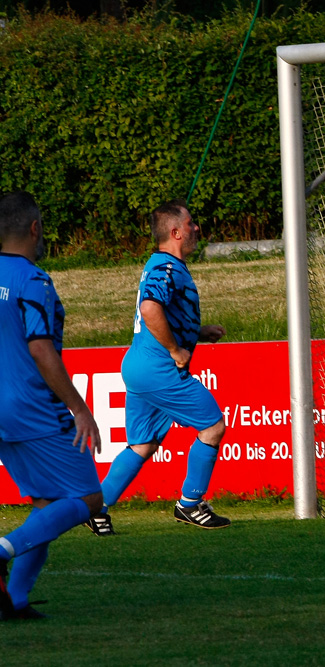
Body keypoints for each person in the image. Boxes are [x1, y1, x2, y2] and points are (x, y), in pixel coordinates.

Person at [87, 199, 229, 536]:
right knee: (212, 427)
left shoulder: (159, 264)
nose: (197, 229)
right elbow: (151, 308)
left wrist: (197, 332)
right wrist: (175, 349)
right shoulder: (167, 268)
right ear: (176, 232)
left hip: (138, 365)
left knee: (143, 444)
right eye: (191, 224)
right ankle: (190, 504)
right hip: (159, 368)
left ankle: (96, 508)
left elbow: (160, 312)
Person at [0, 191, 104, 620]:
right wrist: (79, 407)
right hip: (32, 406)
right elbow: (41, 349)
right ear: (34, 228)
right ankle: (3, 548)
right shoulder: (33, 280)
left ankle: (14, 601)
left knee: (46, 501)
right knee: (89, 498)